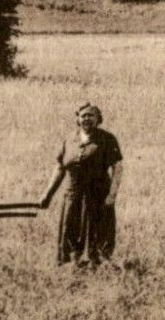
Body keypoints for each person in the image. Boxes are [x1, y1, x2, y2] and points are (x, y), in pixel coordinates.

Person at [40, 102, 123, 267]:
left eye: (91, 115)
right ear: (78, 119)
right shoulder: (70, 140)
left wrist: (112, 194)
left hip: (98, 196)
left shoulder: (107, 139)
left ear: (98, 119)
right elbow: (60, 167)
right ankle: (72, 264)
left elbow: (118, 168)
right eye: (83, 115)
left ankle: (97, 264)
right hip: (73, 195)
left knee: (96, 231)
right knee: (70, 228)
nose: (86, 119)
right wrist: (48, 194)